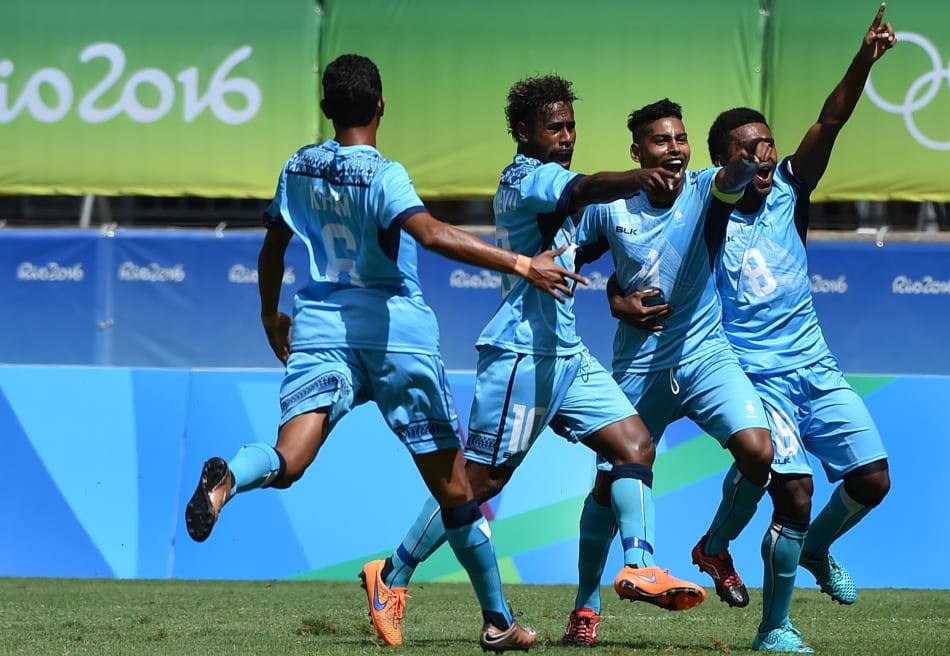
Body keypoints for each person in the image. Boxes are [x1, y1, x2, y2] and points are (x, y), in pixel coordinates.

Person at [183, 53, 591, 652]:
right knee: (456, 488)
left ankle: (227, 483)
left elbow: (272, 250)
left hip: (322, 329)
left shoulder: (297, 166)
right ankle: (498, 622)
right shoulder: (384, 174)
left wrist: (270, 314)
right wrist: (520, 262)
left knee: (289, 459)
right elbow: (430, 233)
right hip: (397, 337)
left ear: (326, 108)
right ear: (380, 106)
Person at [360, 74, 706, 648]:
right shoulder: (529, 178)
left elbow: (591, 227)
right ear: (523, 131)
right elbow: (586, 188)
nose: (567, 136)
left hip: (566, 355)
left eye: (572, 126)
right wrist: (640, 177)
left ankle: (640, 564)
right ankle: (390, 574)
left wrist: (621, 286)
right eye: (555, 127)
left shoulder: (556, 179)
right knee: (473, 484)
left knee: (636, 445)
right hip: (522, 355)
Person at [613, 6, 897, 652]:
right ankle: (775, 628)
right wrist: (619, 302)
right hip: (754, 375)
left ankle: (809, 550)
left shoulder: (793, 190)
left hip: (816, 369)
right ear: (722, 162)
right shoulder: (704, 212)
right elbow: (635, 254)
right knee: (793, 490)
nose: (764, 156)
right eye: (749, 150)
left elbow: (831, 119)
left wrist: (865, 58)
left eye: (767, 145)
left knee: (871, 481)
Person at [561, 98, 776, 647]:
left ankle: (714, 546)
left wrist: (747, 160)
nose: (674, 149)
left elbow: (731, 179)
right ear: (637, 152)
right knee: (609, 489)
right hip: (639, 366)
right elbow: (563, 262)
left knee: (759, 451)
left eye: (679, 139)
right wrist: (616, 301)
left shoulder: (707, 190)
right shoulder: (610, 209)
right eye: (661, 141)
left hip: (705, 354)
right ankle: (586, 604)